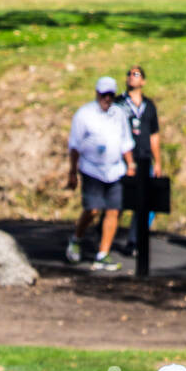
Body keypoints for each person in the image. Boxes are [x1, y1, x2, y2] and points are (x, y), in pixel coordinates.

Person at [66, 76, 135, 271]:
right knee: (93, 209)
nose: (107, 98)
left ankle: (103, 254)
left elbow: (125, 141)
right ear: (97, 93)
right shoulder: (84, 114)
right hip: (91, 169)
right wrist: (72, 172)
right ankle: (76, 239)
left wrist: (130, 163)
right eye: (104, 94)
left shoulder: (119, 113)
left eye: (110, 95)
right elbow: (75, 145)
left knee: (114, 210)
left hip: (115, 169)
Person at [117, 63, 161, 255]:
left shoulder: (149, 105)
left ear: (143, 80)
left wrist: (157, 161)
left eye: (136, 74)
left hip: (144, 159)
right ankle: (104, 231)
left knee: (147, 202)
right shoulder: (118, 103)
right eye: (129, 74)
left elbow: (154, 135)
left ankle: (135, 240)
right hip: (121, 159)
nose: (132, 77)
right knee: (118, 201)